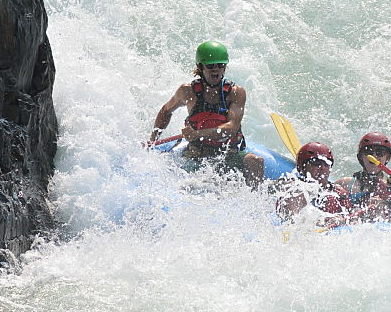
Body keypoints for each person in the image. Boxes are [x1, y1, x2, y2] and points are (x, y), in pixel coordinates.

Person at [148, 40, 264, 186]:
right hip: (196, 157)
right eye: (210, 66)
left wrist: (198, 134)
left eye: (220, 65)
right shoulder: (187, 91)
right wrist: (153, 140)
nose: (216, 70)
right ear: (200, 67)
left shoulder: (235, 93)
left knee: (256, 161)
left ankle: (255, 202)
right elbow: (166, 111)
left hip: (227, 156)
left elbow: (232, 128)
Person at [334, 132, 391, 221]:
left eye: (380, 153)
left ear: (387, 158)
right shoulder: (344, 184)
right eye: (369, 151)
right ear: (361, 157)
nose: (374, 156)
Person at [275, 142, 352, 222]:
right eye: (316, 163)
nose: (322, 168)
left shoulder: (338, 193)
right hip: (298, 227)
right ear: (303, 167)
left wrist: (342, 220)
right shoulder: (292, 186)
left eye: (326, 164)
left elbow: (351, 220)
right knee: (297, 194)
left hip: (330, 231)